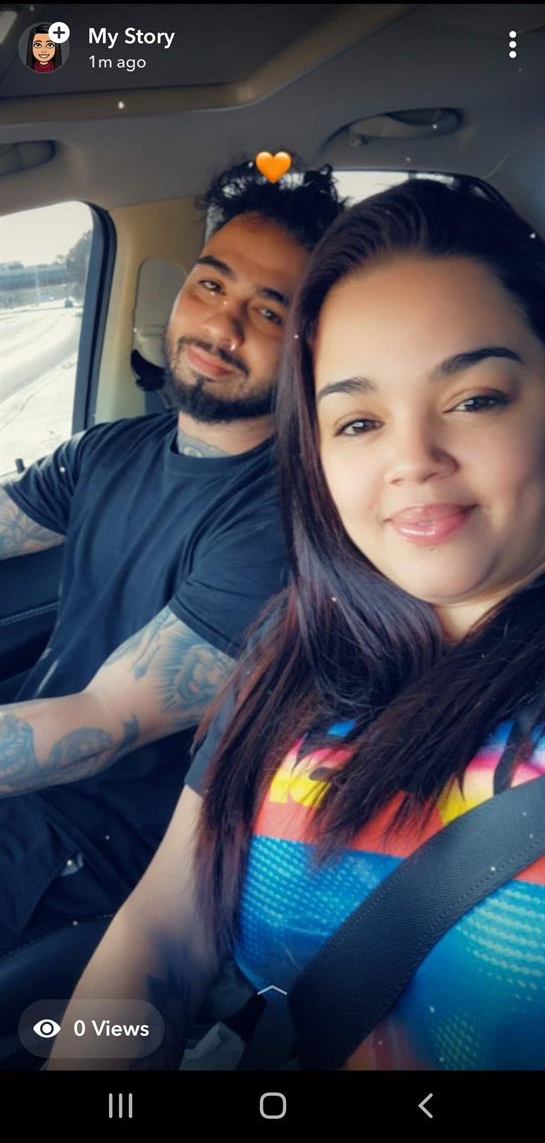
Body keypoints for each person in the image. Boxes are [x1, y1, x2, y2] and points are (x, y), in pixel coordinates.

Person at [48, 178, 545, 1073]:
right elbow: (165, 926)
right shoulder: (292, 651)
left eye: (474, 399)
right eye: (357, 420)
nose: (410, 461)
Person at [0, 157, 346, 956]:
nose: (221, 329)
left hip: (92, 840)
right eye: (211, 286)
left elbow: (98, 728)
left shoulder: (280, 522)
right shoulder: (113, 450)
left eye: (269, 311)